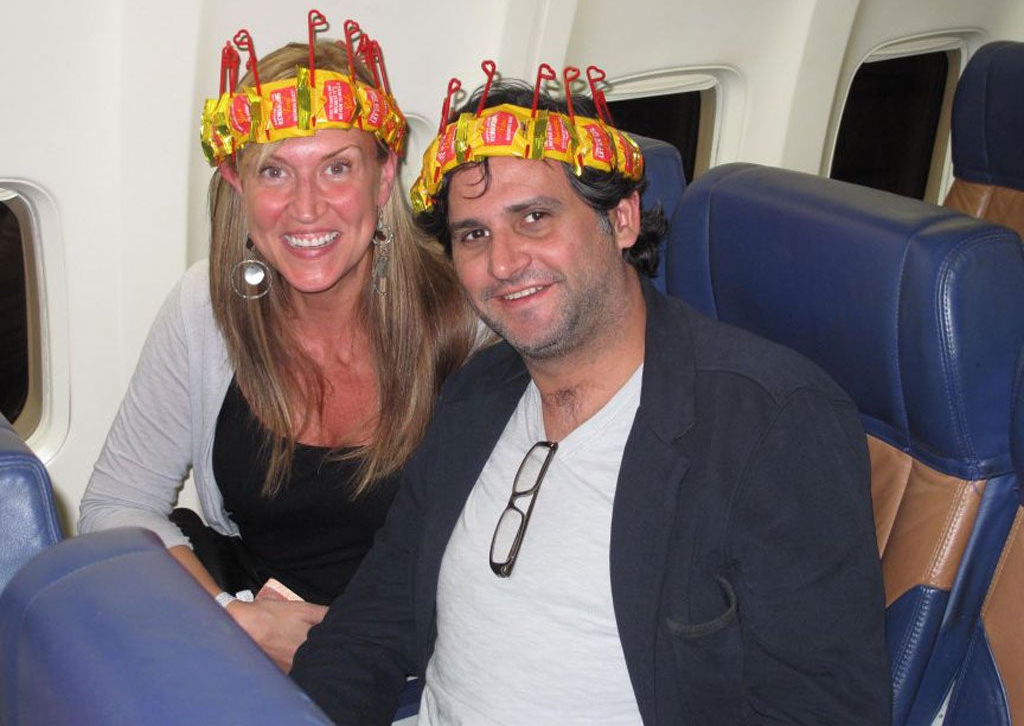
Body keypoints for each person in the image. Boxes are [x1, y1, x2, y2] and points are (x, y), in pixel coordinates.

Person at [289, 64, 892, 724]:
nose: (504, 262)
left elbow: (820, 710)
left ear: (622, 219)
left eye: (536, 218)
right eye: (474, 234)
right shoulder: (476, 396)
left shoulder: (768, 425)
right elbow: (375, 621)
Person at [78, 13, 477, 672]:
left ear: (383, 181)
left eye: (336, 168)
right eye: (275, 172)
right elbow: (114, 503)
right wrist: (233, 620)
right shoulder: (206, 310)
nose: (306, 207)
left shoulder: (467, 320)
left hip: (413, 660)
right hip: (245, 628)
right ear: (239, 186)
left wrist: (357, 654)